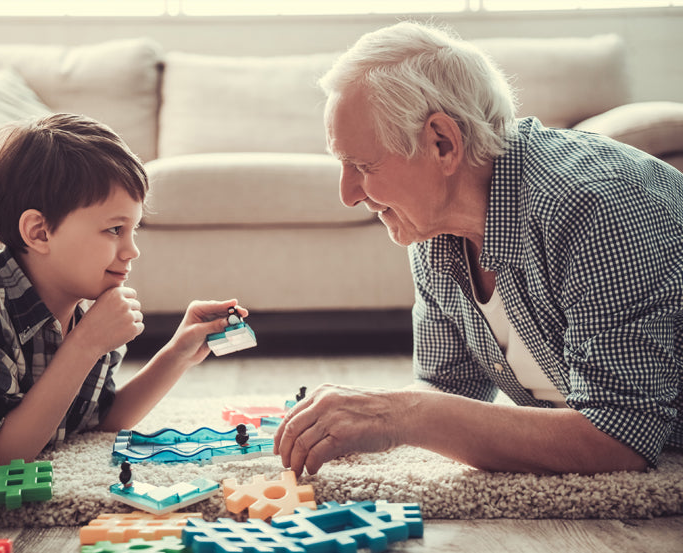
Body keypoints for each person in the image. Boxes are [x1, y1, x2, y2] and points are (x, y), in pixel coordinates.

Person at [274, 21, 683, 476]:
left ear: (442, 143)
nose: (347, 194)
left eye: (362, 165)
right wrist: (365, 416)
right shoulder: (431, 228)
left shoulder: (594, 206)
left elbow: (620, 438)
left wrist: (399, 414)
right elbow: (447, 388)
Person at [0, 113, 248, 467]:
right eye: (114, 229)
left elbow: (100, 419)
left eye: (133, 229)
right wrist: (84, 345)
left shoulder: (88, 304)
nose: (132, 250)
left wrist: (177, 353)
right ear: (39, 233)